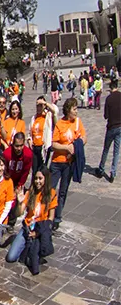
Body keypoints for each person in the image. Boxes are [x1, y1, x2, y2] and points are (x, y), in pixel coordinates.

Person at [5, 168, 56, 275]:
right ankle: (27, 248)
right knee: (11, 257)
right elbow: (19, 213)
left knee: (30, 261)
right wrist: (19, 203)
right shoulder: (30, 192)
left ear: (46, 179)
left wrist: (38, 232)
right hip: (27, 228)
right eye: (36, 178)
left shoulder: (51, 194)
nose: (38, 181)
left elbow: (51, 218)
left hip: (40, 229)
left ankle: (33, 251)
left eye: (40, 178)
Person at [49, 98, 84, 230]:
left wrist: (76, 146)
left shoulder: (78, 123)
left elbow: (84, 138)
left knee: (63, 191)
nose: (76, 111)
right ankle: (48, 213)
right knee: (51, 189)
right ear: (68, 110)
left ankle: (57, 217)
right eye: (74, 109)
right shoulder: (60, 124)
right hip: (57, 162)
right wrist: (66, 148)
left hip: (69, 163)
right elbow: (53, 144)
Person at [96, 78, 121, 183]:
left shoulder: (109, 99)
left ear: (110, 88)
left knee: (106, 149)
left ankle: (101, 169)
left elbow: (106, 116)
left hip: (111, 127)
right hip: (120, 127)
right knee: (116, 151)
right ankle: (113, 172)